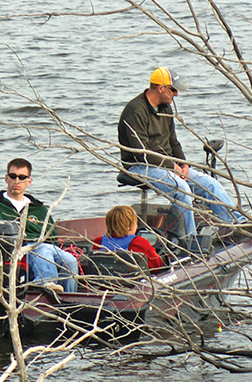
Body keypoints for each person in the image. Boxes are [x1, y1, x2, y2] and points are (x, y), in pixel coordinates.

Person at [117, 67, 243, 251]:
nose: (176, 94)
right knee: (181, 188)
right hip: (139, 166)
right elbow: (141, 154)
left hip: (168, 165)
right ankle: (188, 241)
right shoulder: (135, 111)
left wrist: (183, 164)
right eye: (173, 90)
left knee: (210, 184)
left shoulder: (165, 108)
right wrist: (172, 166)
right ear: (161, 88)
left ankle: (236, 226)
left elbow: (173, 141)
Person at [0, 158, 79, 293]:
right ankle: (46, 283)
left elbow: (52, 237)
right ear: (6, 178)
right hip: (8, 250)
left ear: (29, 181)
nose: (17, 181)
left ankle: (68, 299)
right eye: (13, 176)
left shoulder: (39, 209)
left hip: (39, 247)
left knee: (70, 260)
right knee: (44, 251)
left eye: (22, 177)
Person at [92, 205, 165, 270]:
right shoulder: (140, 243)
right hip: (133, 282)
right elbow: (157, 265)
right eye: (135, 223)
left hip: (105, 281)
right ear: (129, 226)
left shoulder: (98, 242)